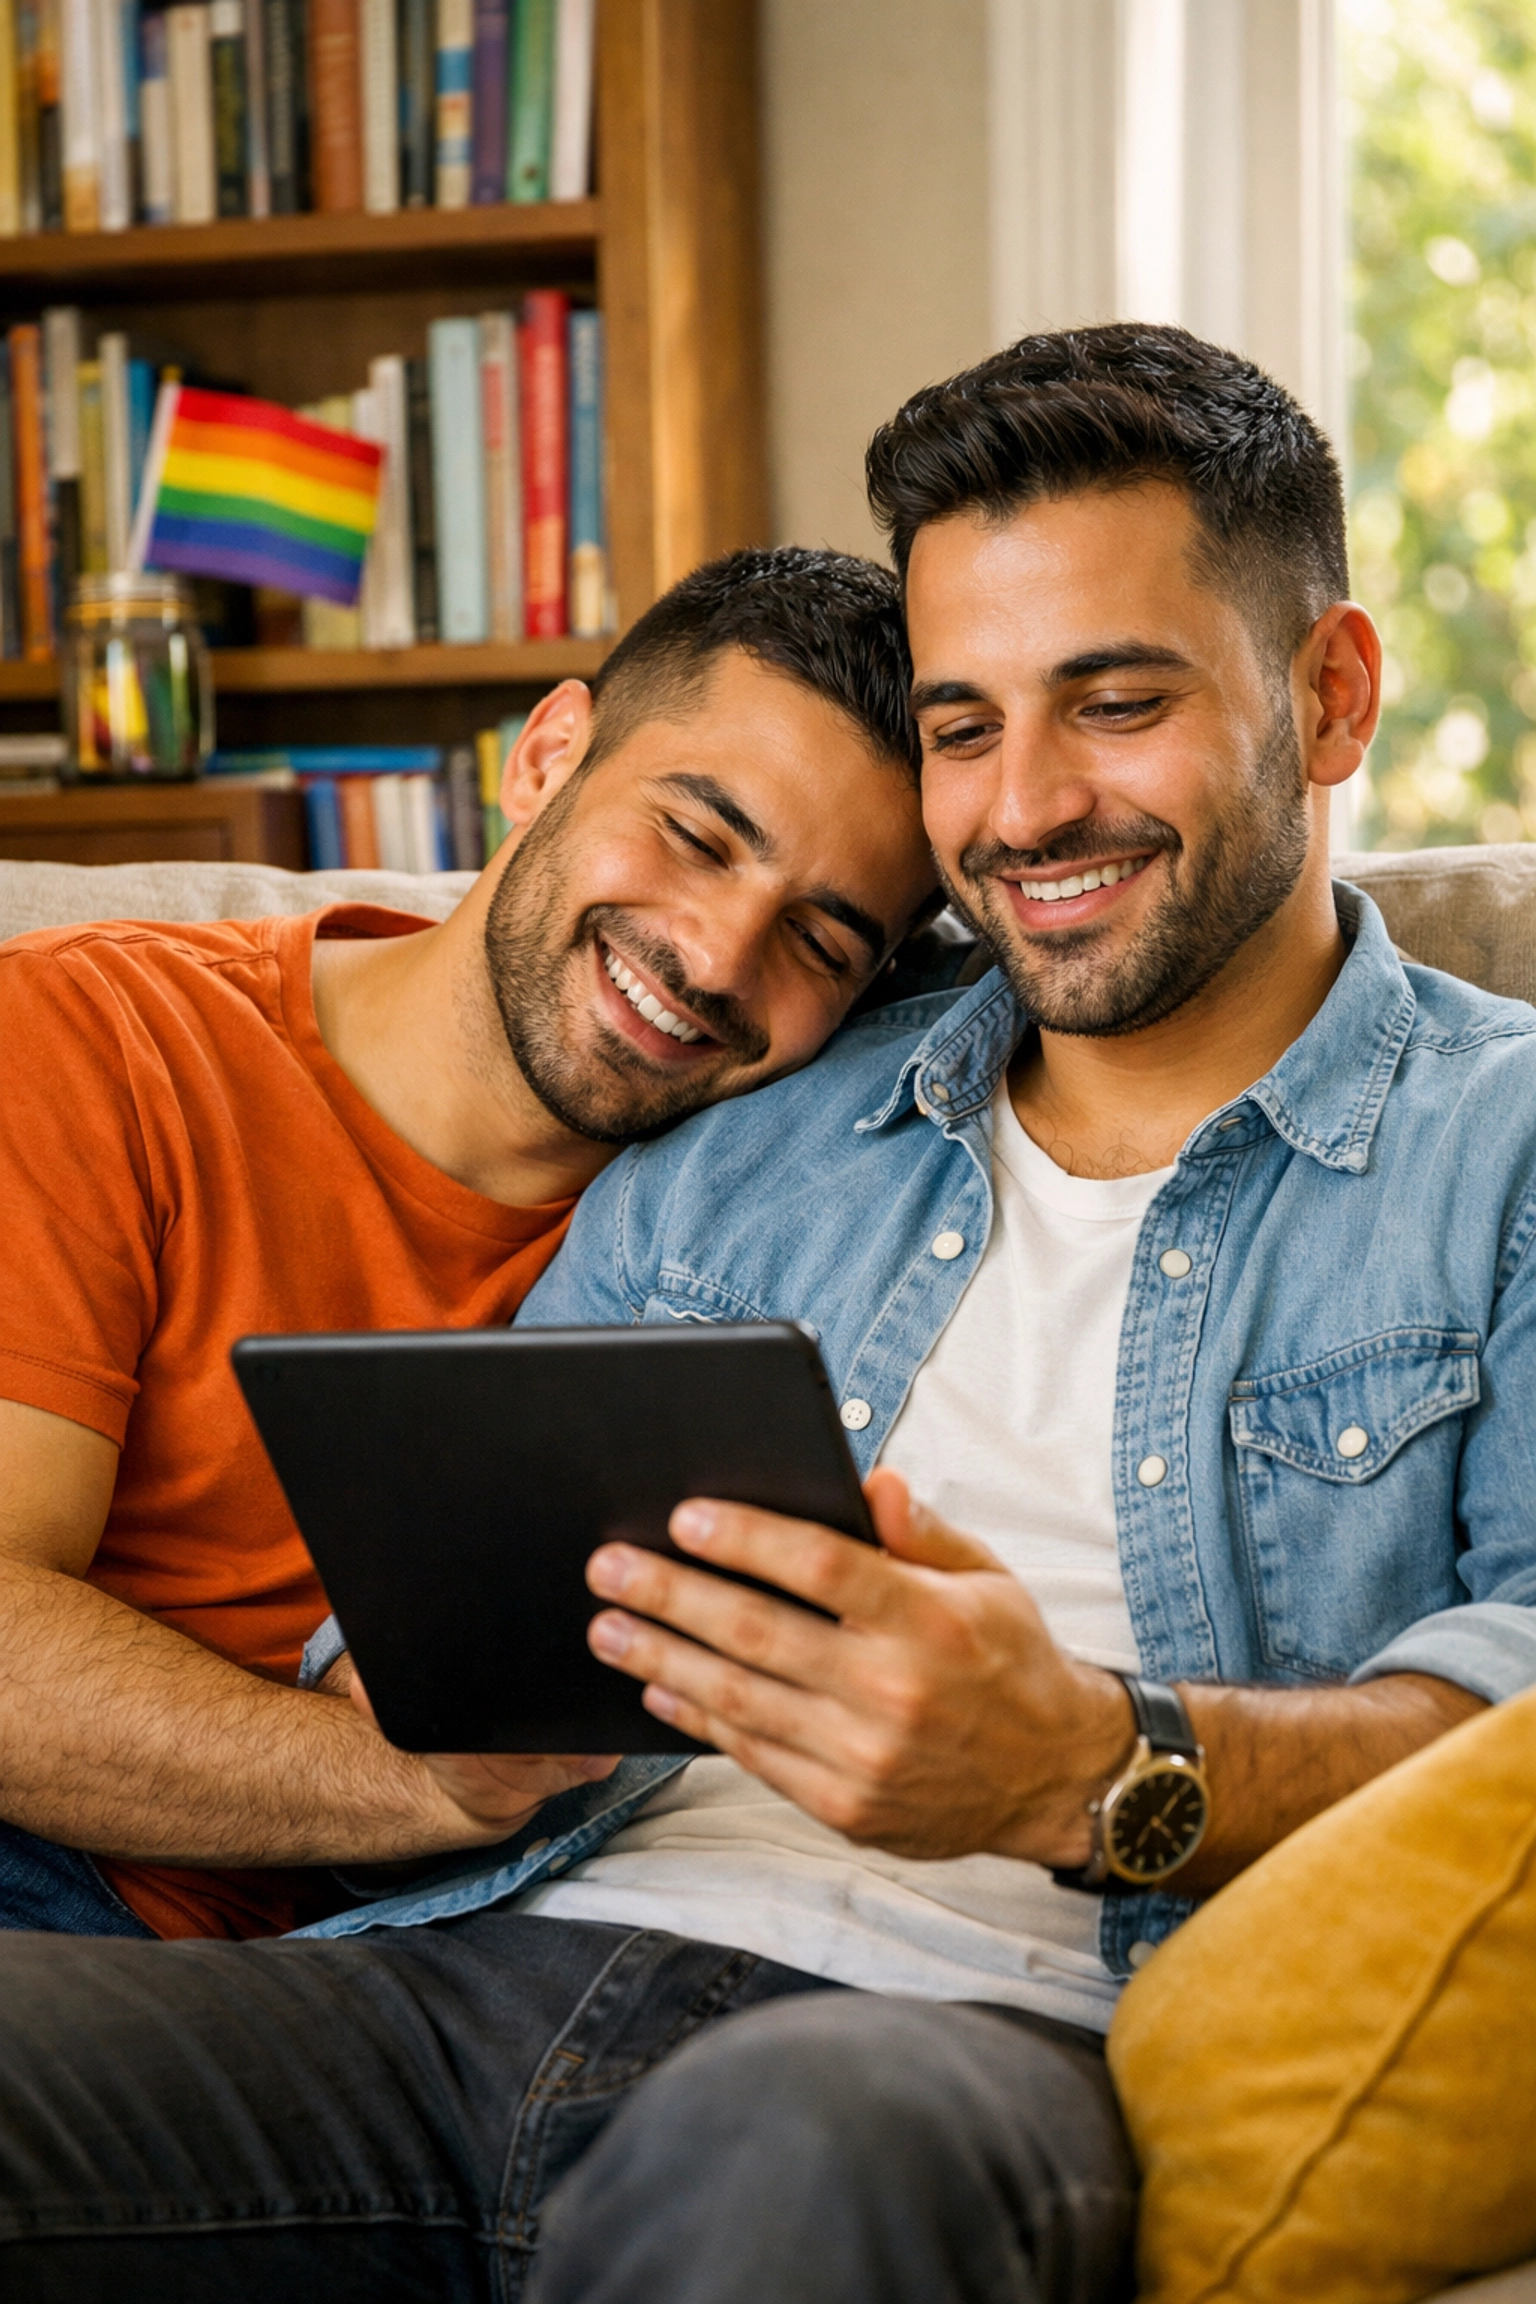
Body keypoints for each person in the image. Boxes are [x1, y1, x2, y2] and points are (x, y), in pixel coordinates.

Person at [2, 325, 1533, 2304]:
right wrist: (397, 1715)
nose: (1029, 808)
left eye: (1118, 702)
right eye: (966, 729)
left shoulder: (1497, 1152)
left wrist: (1086, 1763)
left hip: (950, 2050)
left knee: (789, 2157)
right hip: (471, 1976)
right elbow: (422, 1636)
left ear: (1329, 698)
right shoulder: (760, 1109)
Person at [0, 544, 935, 1945]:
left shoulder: (764, 1216)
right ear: (550, 755)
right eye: (696, 834)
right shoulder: (101, 1040)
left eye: (821, 939)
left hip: (362, 1978)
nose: (720, 957)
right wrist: (396, 1784)